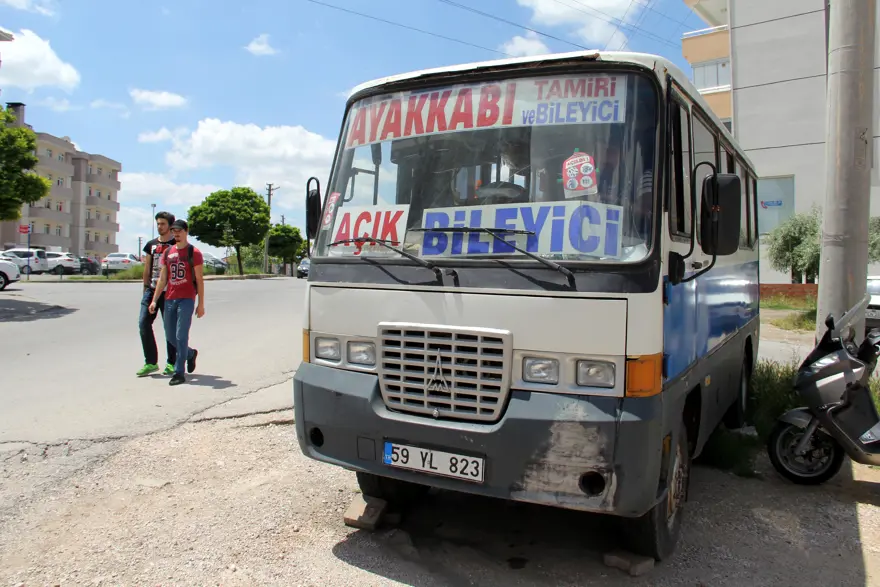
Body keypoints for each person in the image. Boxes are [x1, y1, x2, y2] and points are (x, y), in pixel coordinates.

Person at [149, 219, 205, 386]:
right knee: (171, 336)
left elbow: (200, 280)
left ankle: (179, 372)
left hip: (186, 298)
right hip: (169, 299)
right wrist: (154, 300)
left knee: (181, 336)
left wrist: (200, 304)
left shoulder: (194, 252)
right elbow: (163, 278)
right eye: (174, 231)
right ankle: (189, 354)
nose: (176, 234)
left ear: (186, 231)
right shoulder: (168, 253)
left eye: (179, 231)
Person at [137, 211, 177, 377]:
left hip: (170, 291)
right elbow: (147, 268)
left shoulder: (176, 243)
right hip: (152, 290)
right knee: (143, 323)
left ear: (170, 226)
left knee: (170, 328)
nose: (160, 226)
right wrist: (145, 288)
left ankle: (172, 363)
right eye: (158, 223)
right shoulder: (151, 245)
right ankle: (151, 362)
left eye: (163, 224)